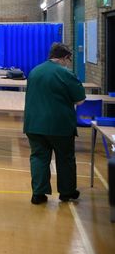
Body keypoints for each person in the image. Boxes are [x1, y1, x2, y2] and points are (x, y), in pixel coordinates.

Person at [23, 42, 86, 205]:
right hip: (60, 125)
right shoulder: (66, 74)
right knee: (65, 158)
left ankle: (38, 194)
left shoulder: (35, 71)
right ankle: (66, 192)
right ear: (65, 57)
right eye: (69, 59)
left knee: (38, 158)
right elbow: (80, 101)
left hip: (34, 123)